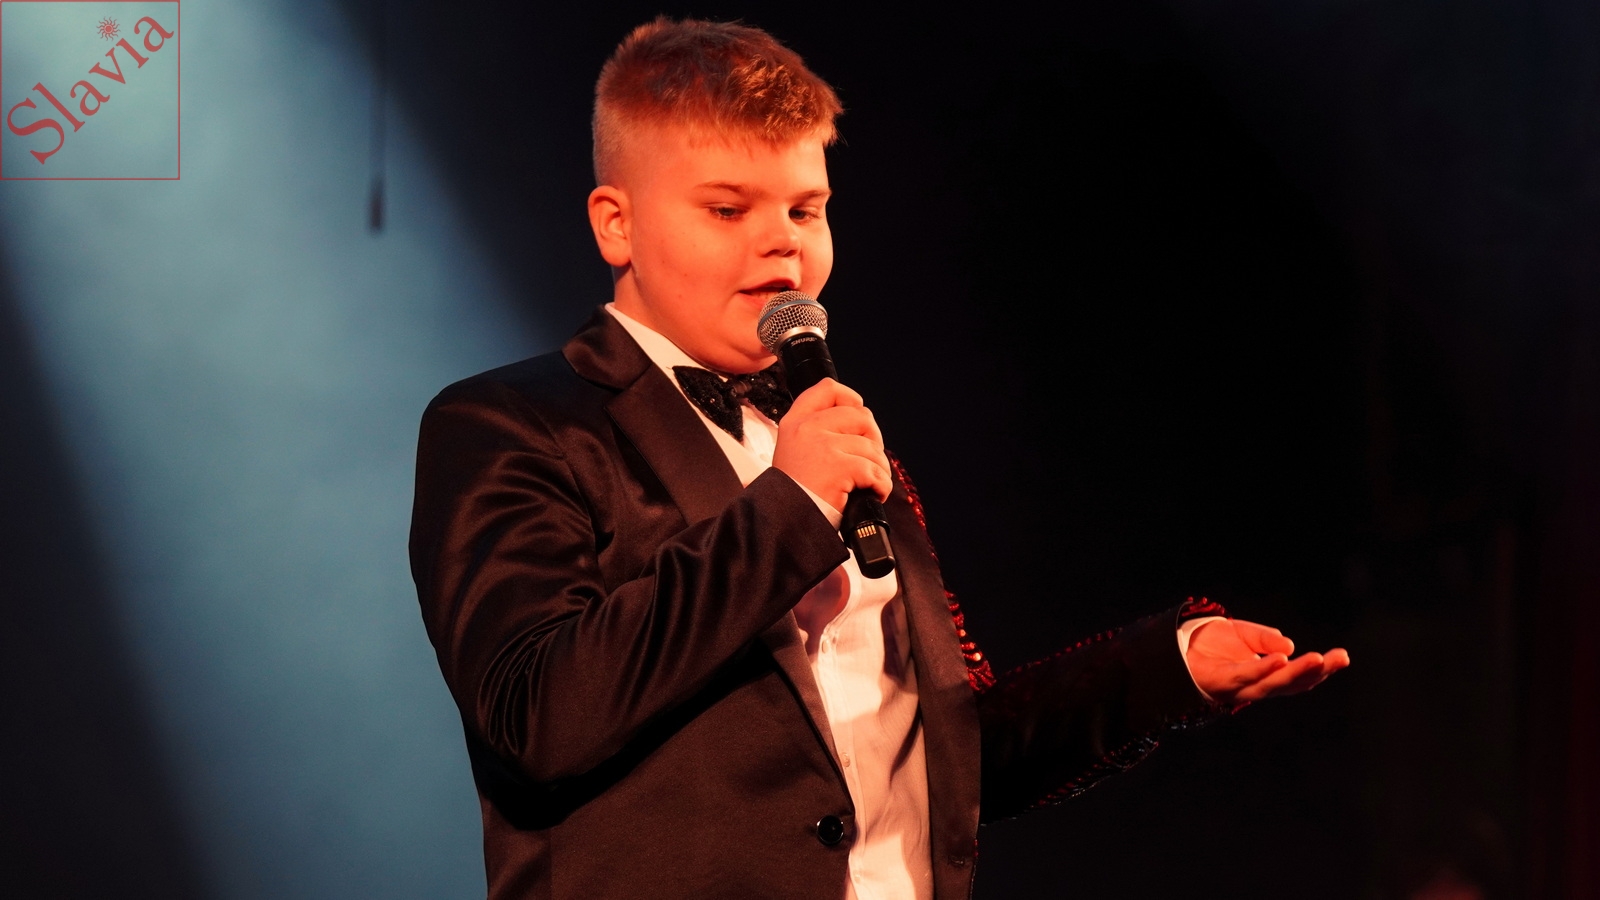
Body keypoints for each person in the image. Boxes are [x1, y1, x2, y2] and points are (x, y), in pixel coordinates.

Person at [408, 17, 1349, 900]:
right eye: (727, 208)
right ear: (616, 223)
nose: (781, 239)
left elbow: (945, 751)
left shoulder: (829, 435)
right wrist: (788, 508)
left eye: (806, 208)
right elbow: (536, 718)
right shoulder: (514, 424)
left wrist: (1166, 670)